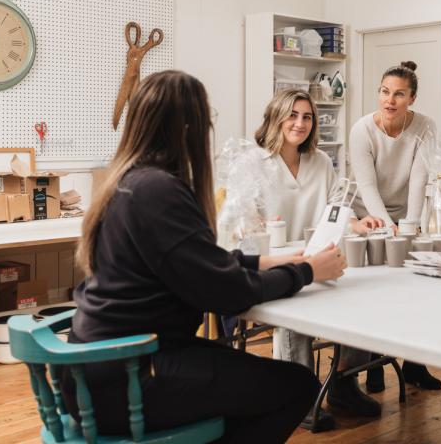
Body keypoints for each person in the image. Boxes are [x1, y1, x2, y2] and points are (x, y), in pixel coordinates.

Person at [65, 70, 347, 444]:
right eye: (206, 118)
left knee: (237, 377)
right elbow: (226, 292)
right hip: (130, 375)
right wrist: (306, 271)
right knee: (297, 385)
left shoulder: (132, 181)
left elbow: (198, 262)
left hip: (104, 367)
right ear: (186, 126)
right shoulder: (160, 190)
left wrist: (268, 262)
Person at [253, 89, 385, 428]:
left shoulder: (321, 162)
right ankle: (300, 395)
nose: (300, 123)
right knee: (295, 309)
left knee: (360, 294)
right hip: (276, 263)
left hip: (319, 258)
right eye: (293, 115)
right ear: (277, 117)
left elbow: (336, 209)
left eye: (307, 116)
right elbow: (245, 223)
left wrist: (359, 222)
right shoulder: (255, 164)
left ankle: (344, 382)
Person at [348, 61, 441, 392]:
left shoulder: (426, 128)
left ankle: (415, 364)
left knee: (418, 288)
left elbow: (419, 180)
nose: (390, 101)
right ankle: (373, 367)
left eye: (399, 94)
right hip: (366, 216)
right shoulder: (362, 129)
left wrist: (410, 227)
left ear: (412, 98)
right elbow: (367, 186)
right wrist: (386, 227)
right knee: (375, 290)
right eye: (385, 92)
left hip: (406, 216)